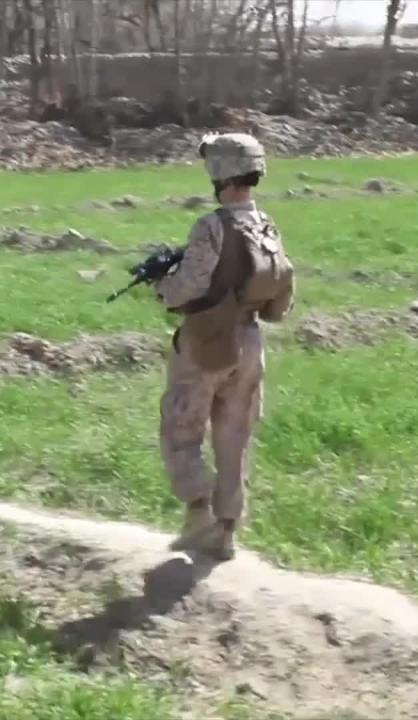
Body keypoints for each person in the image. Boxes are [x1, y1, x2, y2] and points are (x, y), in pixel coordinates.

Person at [153, 132, 296, 561]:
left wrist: (162, 287)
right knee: (235, 435)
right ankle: (226, 529)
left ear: (220, 173)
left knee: (182, 426)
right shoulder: (266, 224)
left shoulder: (212, 226)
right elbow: (283, 292)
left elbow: (190, 286)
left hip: (208, 340)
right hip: (250, 341)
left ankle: (198, 512)